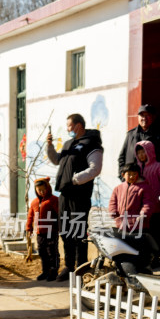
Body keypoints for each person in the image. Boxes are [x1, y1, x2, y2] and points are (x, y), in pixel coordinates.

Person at [46, 113, 103, 282]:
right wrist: (49, 146)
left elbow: (95, 168)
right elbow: (56, 160)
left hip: (79, 195)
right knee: (65, 231)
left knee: (78, 232)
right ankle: (69, 267)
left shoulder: (92, 143)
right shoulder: (69, 144)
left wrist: (75, 179)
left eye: (69, 126)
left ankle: (81, 267)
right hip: (64, 194)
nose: (67, 129)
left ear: (78, 125)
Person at [108, 163, 154, 275]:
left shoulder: (144, 187)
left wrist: (143, 214)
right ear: (123, 175)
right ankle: (123, 269)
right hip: (122, 224)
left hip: (139, 225)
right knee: (123, 248)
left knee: (139, 249)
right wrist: (113, 212)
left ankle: (142, 270)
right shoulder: (118, 188)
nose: (132, 176)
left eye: (135, 174)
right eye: (129, 174)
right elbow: (112, 202)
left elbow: (148, 203)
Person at [134, 140, 160, 258]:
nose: (141, 155)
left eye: (144, 152)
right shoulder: (137, 169)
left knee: (157, 231)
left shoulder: (159, 167)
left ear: (150, 152)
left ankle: (159, 256)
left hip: (157, 207)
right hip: (142, 207)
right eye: (139, 153)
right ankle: (149, 256)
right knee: (145, 232)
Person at [25, 177, 59, 281]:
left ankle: (53, 272)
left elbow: (59, 214)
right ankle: (45, 271)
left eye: (43, 189)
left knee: (51, 252)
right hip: (39, 232)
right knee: (42, 252)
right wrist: (28, 227)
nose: (41, 192)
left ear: (48, 188)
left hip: (51, 231)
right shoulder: (34, 202)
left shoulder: (53, 200)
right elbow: (30, 216)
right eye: (38, 190)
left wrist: (61, 227)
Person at [118, 104, 160, 173]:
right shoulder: (131, 134)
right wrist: (123, 176)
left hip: (152, 179)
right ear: (138, 117)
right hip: (133, 179)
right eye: (142, 115)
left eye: (147, 115)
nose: (144, 118)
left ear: (153, 117)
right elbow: (121, 157)